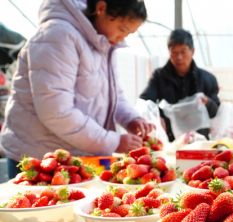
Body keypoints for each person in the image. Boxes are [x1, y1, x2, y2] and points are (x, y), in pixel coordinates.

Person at [0, 0, 153, 179]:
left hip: (72, 158)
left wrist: (131, 118)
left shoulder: (101, 43)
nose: (123, 38)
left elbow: (113, 94)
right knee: (41, 206)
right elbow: (56, 112)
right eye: (122, 29)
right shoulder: (58, 36)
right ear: (102, 8)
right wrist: (113, 141)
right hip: (39, 161)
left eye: (128, 33)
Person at [140, 28, 220, 142]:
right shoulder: (159, 77)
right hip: (170, 140)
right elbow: (146, 102)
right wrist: (158, 118)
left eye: (183, 51)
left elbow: (215, 112)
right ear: (169, 52)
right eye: (174, 52)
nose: (179, 57)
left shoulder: (208, 79)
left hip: (200, 141)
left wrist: (207, 102)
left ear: (192, 51)